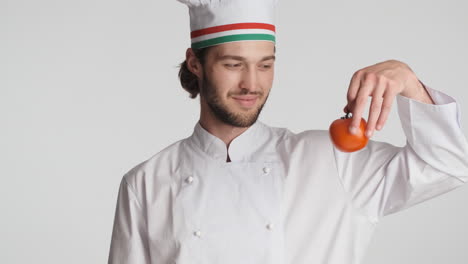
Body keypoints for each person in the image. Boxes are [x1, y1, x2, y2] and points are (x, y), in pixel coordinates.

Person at [107, 0, 468, 263]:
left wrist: (407, 81)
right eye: (233, 65)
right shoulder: (145, 183)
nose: (251, 83)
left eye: (265, 65)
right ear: (195, 63)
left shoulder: (333, 161)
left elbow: (449, 166)